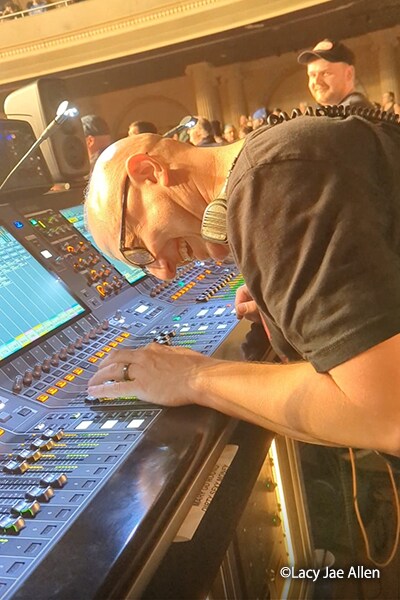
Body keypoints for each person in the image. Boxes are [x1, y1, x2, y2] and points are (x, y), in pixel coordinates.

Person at [85, 111, 400, 458]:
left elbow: (386, 415)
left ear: (148, 171)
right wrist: (285, 300)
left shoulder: (267, 186)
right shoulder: (273, 161)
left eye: (137, 249)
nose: (164, 273)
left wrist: (193, 377)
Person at [298, 39, 373, 109]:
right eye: (312, 75)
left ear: (349, 74)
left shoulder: (357, 112)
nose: (317, 81)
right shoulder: (327, 113)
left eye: (325, 73)